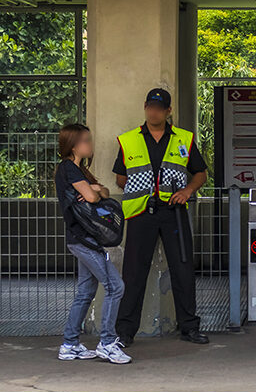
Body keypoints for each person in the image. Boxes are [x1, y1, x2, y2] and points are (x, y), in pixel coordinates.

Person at [112, 88, 209, 345]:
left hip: (173, 213)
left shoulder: (183, 139)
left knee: (183, 269)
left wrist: (188, 191)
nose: (154, 111)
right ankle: (124, 332)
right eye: (150, 107)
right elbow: (120, 178)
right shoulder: (128, 140)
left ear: (168, 111)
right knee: (133, 274)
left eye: (159, 108)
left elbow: (200, 173)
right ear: (145, 107)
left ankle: (189, 327)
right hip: (142, 213)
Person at [54, 124, 131, 364]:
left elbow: (104, 191)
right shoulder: (68, 169)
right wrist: (95, 191)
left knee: (86, 292)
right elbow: (91, 197)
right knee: (115, 287)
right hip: (83, 240)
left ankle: (70, 344)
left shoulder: (80, 171)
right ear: (74, 145)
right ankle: (107, 343)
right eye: (86, 140)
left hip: (84, 239)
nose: (90, 144)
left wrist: (96, 189)